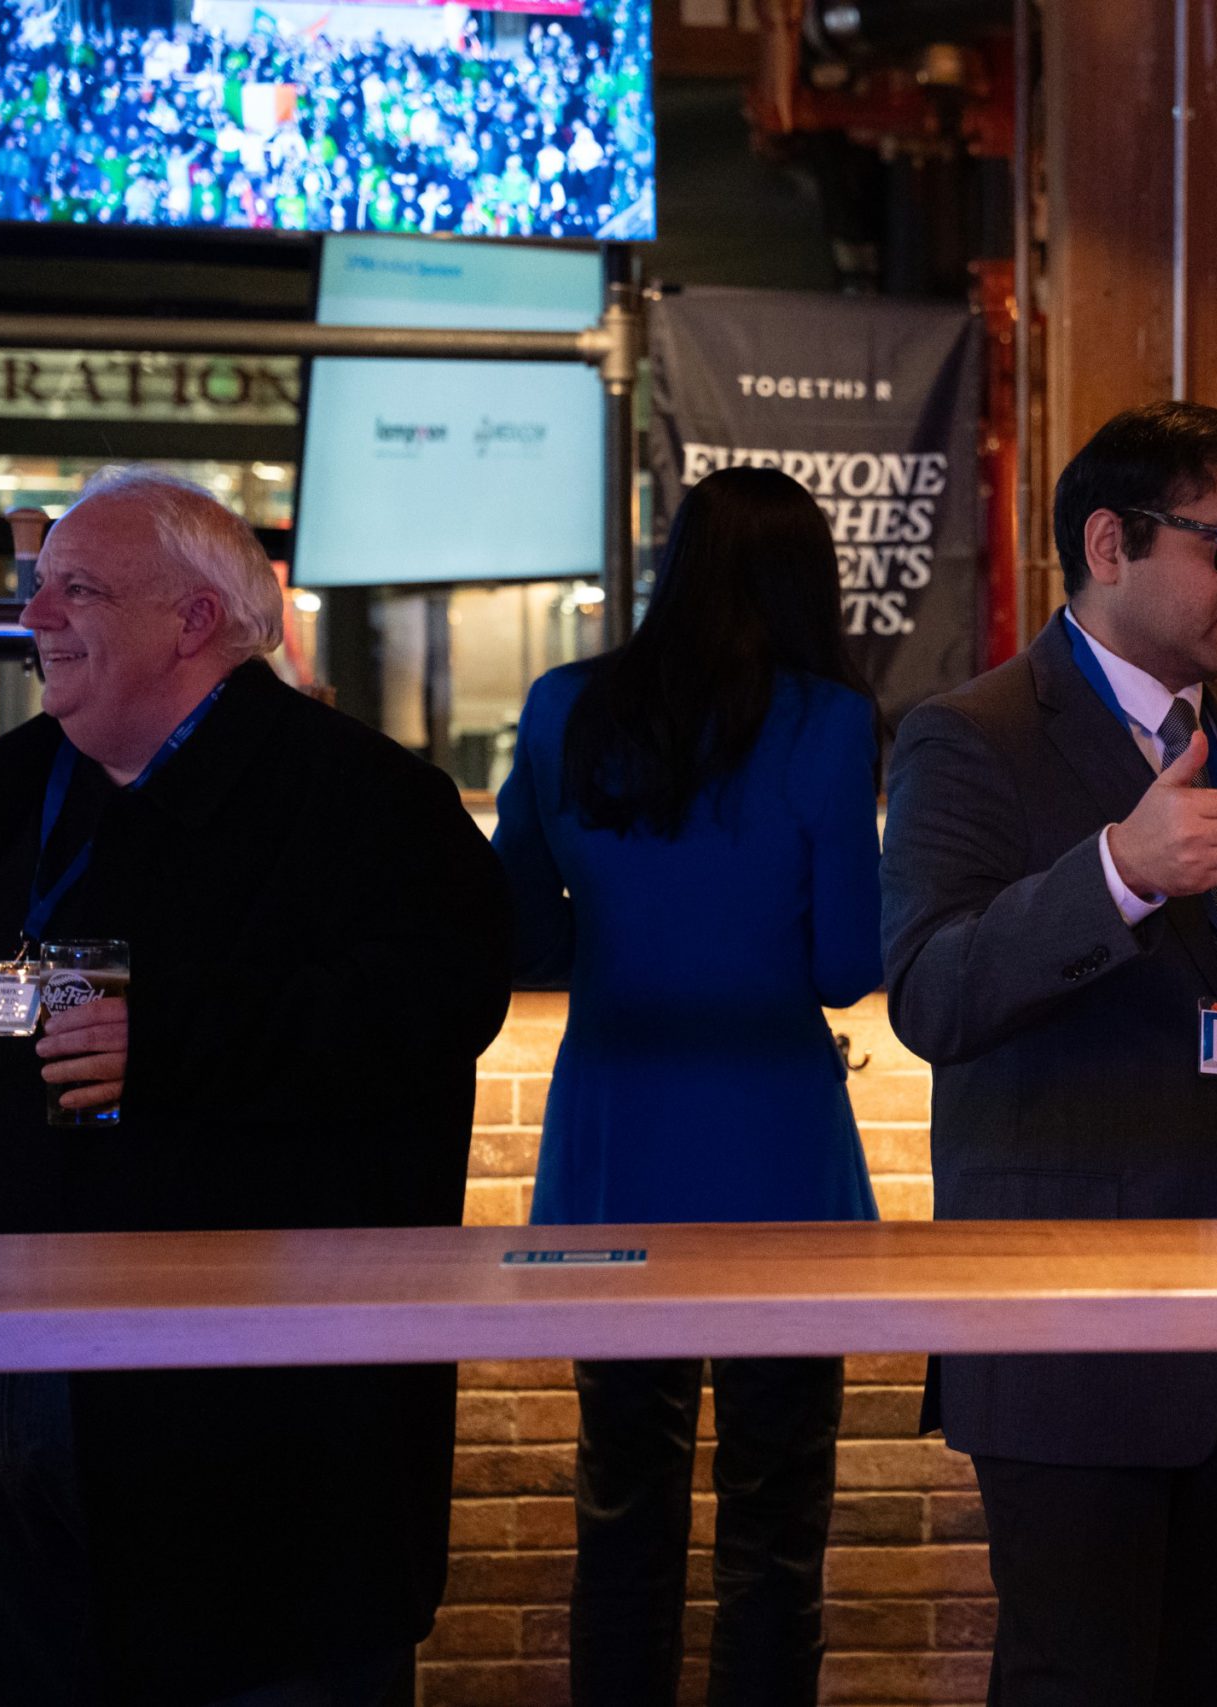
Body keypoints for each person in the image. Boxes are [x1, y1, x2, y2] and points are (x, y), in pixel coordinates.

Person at [0, 464, 512, 1705]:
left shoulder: (371, 801)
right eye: (38, 586)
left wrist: (180, 1041)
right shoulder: (7, 786)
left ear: (193, 620)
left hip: (247, 1444)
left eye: (78, 590)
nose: (33, 617)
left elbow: (431, 1015)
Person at [881, 401, 1217, 1707]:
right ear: (1110, 544)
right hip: (1070, 1333)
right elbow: (932, 995)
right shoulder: (971, 735)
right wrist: (1120, 871)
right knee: (1077, 1681)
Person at [492, 465, 885, 1707]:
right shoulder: (829, 723)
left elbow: (522, 936)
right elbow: (846, 967)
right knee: (777, 1520)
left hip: (615, 1141)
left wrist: (620, 930)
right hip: (780, 1154)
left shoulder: (563, 706)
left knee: (622, 1499)